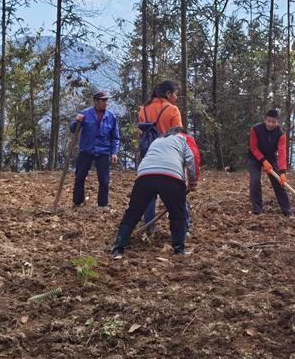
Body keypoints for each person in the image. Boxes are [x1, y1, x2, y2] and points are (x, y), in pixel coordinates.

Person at [112, 126, 199, 258]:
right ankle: (179, 250)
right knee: (177, 212)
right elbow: (193, 158)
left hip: (144, 174)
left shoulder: (157, 140)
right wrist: (193, 181)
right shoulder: (185, 138)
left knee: (134, 211)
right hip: (171, 175)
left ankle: (118, 247)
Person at [138, 81, 183, 231]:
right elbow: (178, 135)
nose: (177, 97)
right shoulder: (172, 110)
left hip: (148, 153)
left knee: (148, 190)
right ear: (168, 94)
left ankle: (149, 225)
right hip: (168, 155)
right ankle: (182, 226)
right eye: (175, 93)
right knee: (175, 191)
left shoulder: (143, 109)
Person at [70, 91, 120, 209]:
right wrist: (76, 121)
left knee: (104, 179)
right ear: (96, 101)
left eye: (106, 100)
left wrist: (114, 152)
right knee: (80, 176)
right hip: (86, 150)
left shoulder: (111, 116)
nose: (105, 103)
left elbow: (115, 137)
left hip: (103, 151)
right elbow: (73, 129)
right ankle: (77, 202)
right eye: (103, 100)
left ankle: (102, 205)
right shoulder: (85, 113)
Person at [248, 108, 292, 217]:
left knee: (278, 182)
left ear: (277, 122)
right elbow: (253, 148)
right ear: (265, 120)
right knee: (255, 181)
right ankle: (257, 209)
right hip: (255, 157)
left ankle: (287, 210)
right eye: (269, 121)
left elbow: (282, 152)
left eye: (274, 122)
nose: (271, 124)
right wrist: (263, 161)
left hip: (271, 157)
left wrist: (282, 172)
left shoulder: (281, 133)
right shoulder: (255, 129)